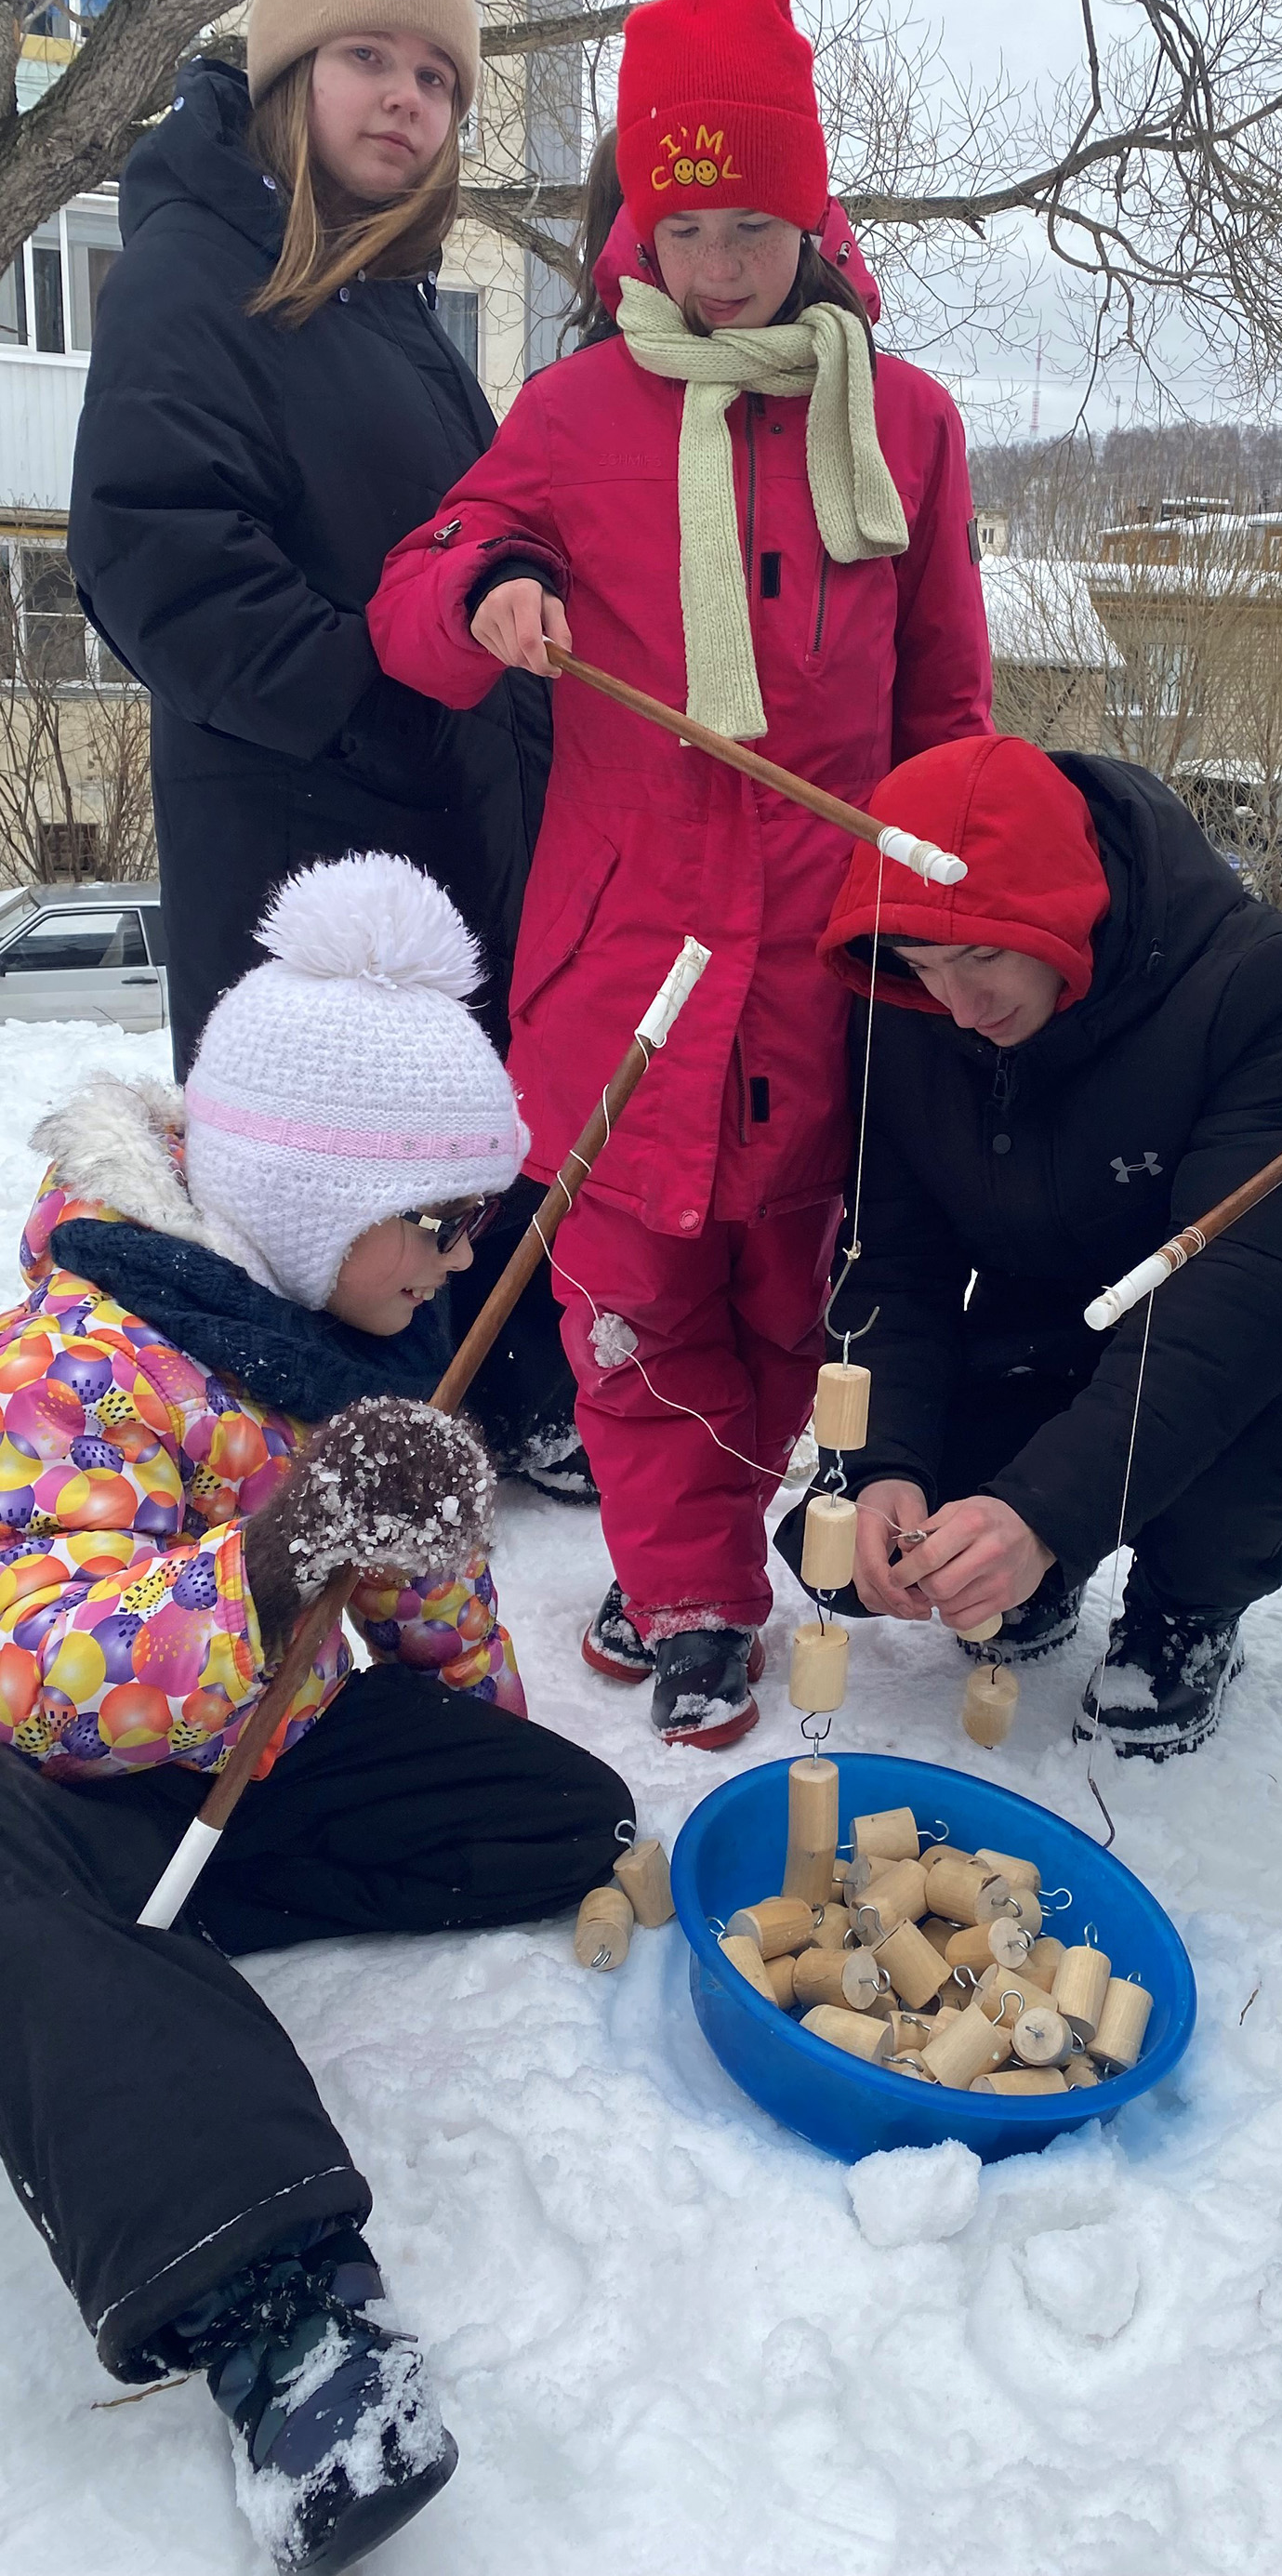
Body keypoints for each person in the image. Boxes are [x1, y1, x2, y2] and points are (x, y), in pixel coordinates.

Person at [368, 0, 993, 1750]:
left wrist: (964, 904)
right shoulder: (570, 417)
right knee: (626, 1301)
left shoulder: (910, 426)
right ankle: (691, 1591)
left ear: (812, 214)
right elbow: (418, 598)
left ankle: (751, 1535)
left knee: (790, 1300)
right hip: (620, 966)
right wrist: (489, 594)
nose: (717, 266)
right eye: (683, 224)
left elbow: (951, 707)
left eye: (753, 227)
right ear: (639, 218)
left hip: (825, 974)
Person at [0, 855, 630, 2576]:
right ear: (300, 1189)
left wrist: (426, 1560)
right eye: (433, 1221)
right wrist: (290, 1552)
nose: (460, 1256)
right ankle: (278, 2308)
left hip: (243, 1754)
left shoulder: (320, 1330)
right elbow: (46, 1669)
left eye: (480, 1219)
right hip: (56, 1768)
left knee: (557, 1815)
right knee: (20, 1881)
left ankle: (136, 1956)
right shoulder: (81, 1350)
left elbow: (433, 1668)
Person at [65, 0, 581, 1501]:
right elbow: (162, 561)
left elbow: (481, 546)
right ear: (292, 73)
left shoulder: (400, 312)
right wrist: (391, 711)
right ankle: (286, 1454)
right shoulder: (198, 272)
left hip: (445, 821)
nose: (405, 99)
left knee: (441, 1152)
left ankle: (479, 1394)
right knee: (311, 1166)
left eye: (437, 77)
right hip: (299, 827)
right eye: (369, 57)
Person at [775, 732, 1282, 1759]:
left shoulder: (1248, 983)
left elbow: (1242, 1291)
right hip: (1040, 1322)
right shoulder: (913, 1012)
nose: (960, 1009)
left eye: (980, 956)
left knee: (1244, 1418)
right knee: (842, 1545)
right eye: (925, 968)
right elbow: (897, 1267)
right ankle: (1022, 1574)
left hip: (1263, 1319)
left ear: (1068, 907)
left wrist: (1044, 1511)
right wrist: (882, 1463)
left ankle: (1185, 1609)